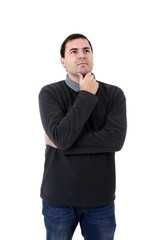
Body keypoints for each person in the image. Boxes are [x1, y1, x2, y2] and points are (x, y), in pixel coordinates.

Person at [38, 33, 127, 240]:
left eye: (86, 50)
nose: (81, 55)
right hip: (58, 198)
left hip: (100, 199)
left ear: (92, 57)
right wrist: (86, 94)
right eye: (73, 51)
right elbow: (62, 137)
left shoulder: (114, 94)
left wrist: (63, 143)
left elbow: (115, 140)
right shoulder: (50, 93)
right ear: (63, 61)